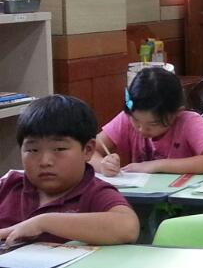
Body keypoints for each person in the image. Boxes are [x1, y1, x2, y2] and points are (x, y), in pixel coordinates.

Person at [0, 94, 140, 247]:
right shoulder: (9, 186)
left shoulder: (95, 192)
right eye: (33, 150)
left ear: (88, 150)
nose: (45, 161)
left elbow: (128, 227)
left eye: (59, 149)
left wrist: (44, 222)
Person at [92, 66, 203, 177]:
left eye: (153, 124)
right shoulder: (126, 118)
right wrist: (102, 166)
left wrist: (156, 165)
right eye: (136, 121)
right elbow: (90, 150)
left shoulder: (189, 122)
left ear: (177, 113)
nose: (141, 129)